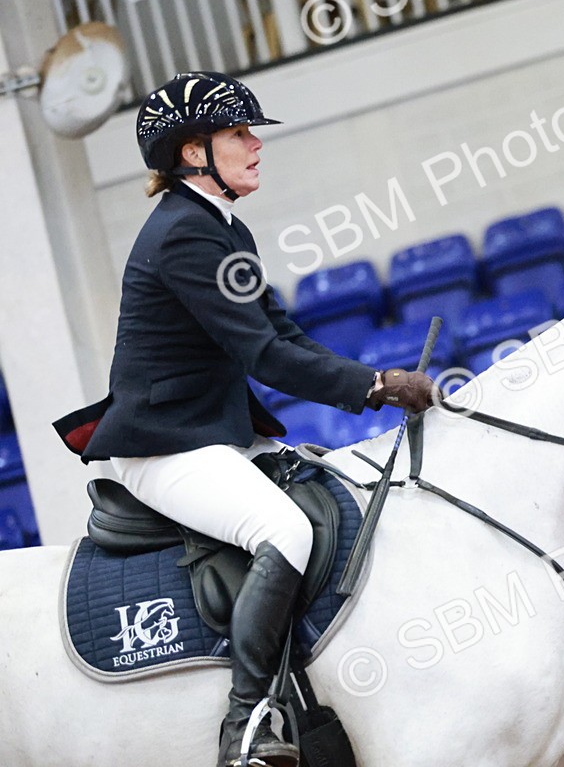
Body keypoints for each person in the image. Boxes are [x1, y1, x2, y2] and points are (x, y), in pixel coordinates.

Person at [53, 71, 436, 767]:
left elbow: (282, 334)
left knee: (332, 479)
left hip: (212, 432)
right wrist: (375, 385)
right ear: (193, 151)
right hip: (165, 449)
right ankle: (248, 723)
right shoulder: (183, 238)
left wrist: (369, 380)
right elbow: (264, 356)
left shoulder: (220, 227)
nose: (256, 145)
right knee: (284, 530)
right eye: (240, 133)